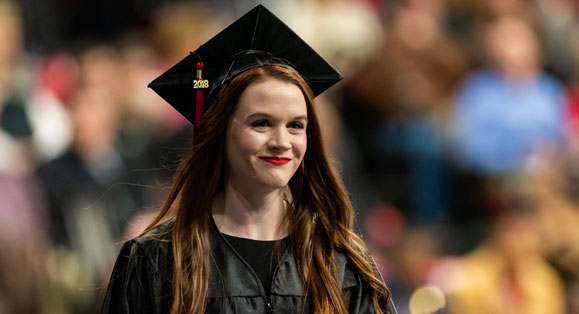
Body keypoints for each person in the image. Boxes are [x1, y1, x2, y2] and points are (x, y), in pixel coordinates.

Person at [101, 5, 395, 314]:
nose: (282, 142)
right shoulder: (157, 259)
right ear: (219, 132)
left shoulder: (340, 262)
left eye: (295, 125)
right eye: (261, 123)